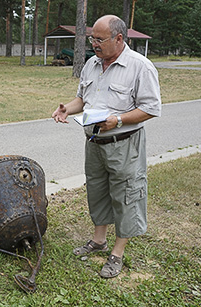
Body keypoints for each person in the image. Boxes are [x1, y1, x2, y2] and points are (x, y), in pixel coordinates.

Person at [52, 15, 161, 278]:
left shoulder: (140, 67)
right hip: (94, 142)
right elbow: (83, 98)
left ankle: (117, 253)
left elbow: (150, 108)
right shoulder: (91, 63)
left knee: (126, 195)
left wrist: (119, 120)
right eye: (92, 39)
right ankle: (98, 241)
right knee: (98, 191)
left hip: (124, 143)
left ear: (119, 39)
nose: (94, 44)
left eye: (99, 39)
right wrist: (67, 108)